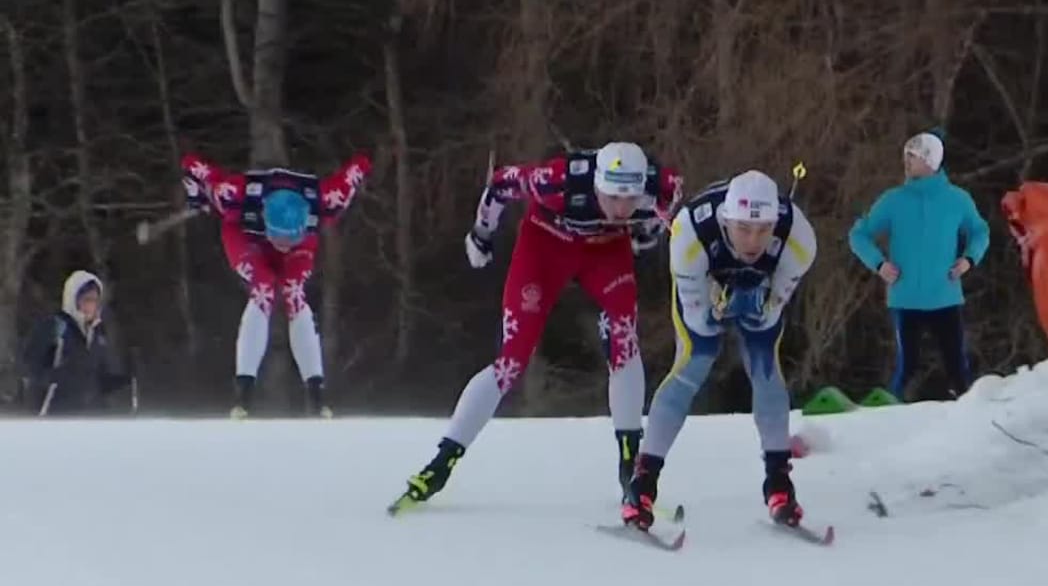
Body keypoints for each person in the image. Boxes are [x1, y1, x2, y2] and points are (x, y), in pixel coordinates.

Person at [389, 142, 684, 515]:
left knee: (624, 339)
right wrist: (482, 234)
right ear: (596, 183)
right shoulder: (556, 182)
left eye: (630, 200)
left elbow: (673, 203)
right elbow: (500, 183)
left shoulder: (660, 185)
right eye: (611, 197)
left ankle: (631, 465)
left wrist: (647, 231)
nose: (621, 208)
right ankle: (442, 462)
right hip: (546, 247)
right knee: (512, 359)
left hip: (605, 252)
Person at [625, 169, 818, 529]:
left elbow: (770, 313)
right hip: (705, 287)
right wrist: (718, 307)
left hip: (759, 289)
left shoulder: (799, 240)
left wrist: (758, 304)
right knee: (694, 363)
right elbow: (699, 322)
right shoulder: (688, 235)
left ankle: (778, 482)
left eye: (763, 230)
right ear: (726, 221)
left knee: (764, 367)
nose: (753, 240)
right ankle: (644, 480)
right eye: (743, 229)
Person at [179, 149, 373, 417]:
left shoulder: (326, 201)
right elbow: (194, 165)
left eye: (289, 239)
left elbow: (354, 172)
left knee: (294, 292)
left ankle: (316, 396)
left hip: (303, 243)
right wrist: (197, 191)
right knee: (264, 287)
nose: (283, 246)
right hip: (246, 236)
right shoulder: (236, 193)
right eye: (279, 238)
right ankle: (243, 395)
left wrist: (366, 161)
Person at [847, 130, 990, 400]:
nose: (906, 161)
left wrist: (969, 259)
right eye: (906, 155)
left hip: (945, 296)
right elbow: (859, 235)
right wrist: (879, 264)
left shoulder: (956, 199)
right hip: (906, 298)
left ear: (930, 161)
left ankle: (969, 423)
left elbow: (980, 231)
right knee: (907, 367)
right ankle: (882, 418)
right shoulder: (893, 200)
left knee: (957, 369)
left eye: (912, 155)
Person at [19, 271, 129, 415]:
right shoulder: (55, 326)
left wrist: (120, 381)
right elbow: (29, 365)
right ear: (74, 300)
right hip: (54, 414)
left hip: (86, 416)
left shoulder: (97, 333)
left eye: (95, 301)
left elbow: (94, 376)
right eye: (87, 299)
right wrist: (53, 379)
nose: (92, 306)